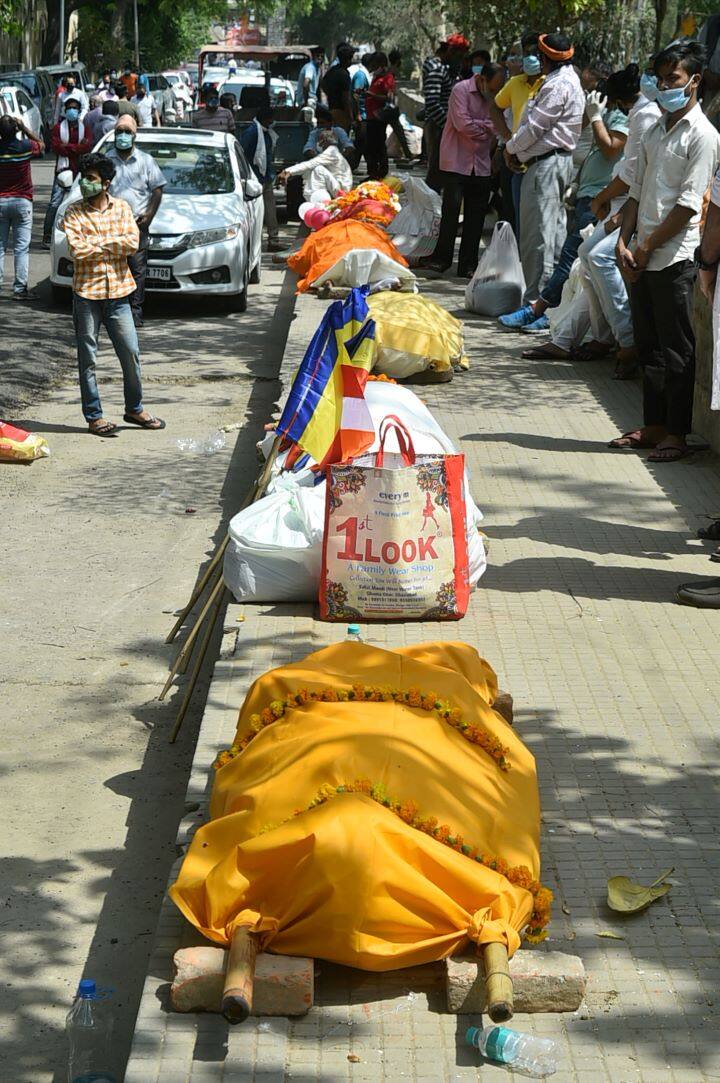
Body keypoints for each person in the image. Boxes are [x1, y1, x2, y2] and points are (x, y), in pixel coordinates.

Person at [610, 40, 720, 463]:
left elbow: (689, 205)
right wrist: (626, 240)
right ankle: (653, 426)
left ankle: (677, 432)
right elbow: (637, 191)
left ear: (694, 81)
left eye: (671, 78)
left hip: (674, 254)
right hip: (642, 250)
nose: (664, 86)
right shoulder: (656, 129)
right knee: (650, 343)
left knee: (677, 348)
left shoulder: (704, 136)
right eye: (659, 79)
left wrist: (646, 245)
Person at [500, 62, 628, 333]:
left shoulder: (620, 119)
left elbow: (609, 150)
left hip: (601, 197)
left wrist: (594, 117)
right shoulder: (606, 115)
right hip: (587, 192)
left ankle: (542, 310)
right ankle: (552, 313)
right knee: (571, 254)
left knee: (568, 253)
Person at [61, 152, 164, 436]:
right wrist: (111, 243)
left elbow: (132, 244)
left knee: (131, 353)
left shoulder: (122, 208)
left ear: (106, 183)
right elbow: (77, 251)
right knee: (88, 358)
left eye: (91, 180)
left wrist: (96, 242)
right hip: (86, 295)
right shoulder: (73, 212)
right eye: (84, 179)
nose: (86, 185)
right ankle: (94, 416)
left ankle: (135, 408)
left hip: (119, 294)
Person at [578, 64, 660, 377]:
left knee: (599, 257)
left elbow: (630, 173)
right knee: (586, 254)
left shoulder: (644, 115)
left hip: (632, 204)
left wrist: (601, 199)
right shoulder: (641, 114)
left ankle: (627, 341)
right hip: (623, 201)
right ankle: (605, 336)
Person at [500, 33, 584, 319]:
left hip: (546, 165)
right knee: (553, 235)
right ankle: (548, 305)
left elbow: (535, 128)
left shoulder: (558, 85)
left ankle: (535, 305)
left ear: (547, 58)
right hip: (547, 163)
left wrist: (510, 149)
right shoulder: (563, 81)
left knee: (538, 238)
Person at [419, 63, 505, 276]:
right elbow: (462, 123)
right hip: (456, 161)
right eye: (492, 89)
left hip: (482, 163)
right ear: (482, 79)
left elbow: (498, 124)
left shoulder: (496, 96)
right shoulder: (461, 90)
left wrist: (486, 126)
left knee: (476, 216)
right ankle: (442, 259)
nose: (495, 94)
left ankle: (468, 264)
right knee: (451, 212)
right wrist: (486, 128)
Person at [107, 116, 166, 326]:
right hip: (111, 225)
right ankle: (114, 312)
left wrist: (149, 216)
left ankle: (135, 312)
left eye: (126, 132)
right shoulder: (107, 160)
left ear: (134, 135)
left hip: (136, 225)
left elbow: (158, 190)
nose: (122, 136)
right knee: (113, 269)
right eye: (119, 131)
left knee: (137, 270)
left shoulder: (145, 161)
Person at [491, 32, 545, 234]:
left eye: (535, 53)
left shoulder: (551, 83)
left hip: (541, 159)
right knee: (513, 211)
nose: (529, 57)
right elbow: (495, 108)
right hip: (513, 157)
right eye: (526, 53)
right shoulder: (514, 83)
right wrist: (507, 140)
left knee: (536, 218)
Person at [0, 113, 43, 300]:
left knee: (0, 247)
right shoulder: (25, 147)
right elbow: (42, 145)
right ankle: (19, 289)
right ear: (16, 130)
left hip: (1, 202)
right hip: (22, 201)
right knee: (21, 248)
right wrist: (24, 127)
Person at [43, 94, 93, 247]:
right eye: (69, 108)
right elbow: (56, 147)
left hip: (79, 171)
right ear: (65, 111)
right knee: (55, 203)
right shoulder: (59, 128)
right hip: (62, 170)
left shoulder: (85, 128)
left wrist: (68, 147)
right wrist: (76, 148)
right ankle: (47, 235)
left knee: (82, 202)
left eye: (74, 108)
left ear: (79, 111)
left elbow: (87, 146)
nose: (72, 110)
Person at [422, 35, 470, 191]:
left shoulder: (444, 68)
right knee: (436, 171)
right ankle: (427, 209)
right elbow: (432, 103)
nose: (460, 60)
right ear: (450, 51)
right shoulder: (436, 69)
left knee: (442, 171)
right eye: (459, 56)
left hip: (443, 126)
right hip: (438, 126)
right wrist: (447, 126)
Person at [240, 106, 282, 251]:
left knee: (270, 211)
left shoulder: (267, 132)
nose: (272, 122)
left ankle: (273, 241)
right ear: (265, 119)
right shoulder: (252, 132)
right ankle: (255, 243)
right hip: (254, 179)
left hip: (265, 178)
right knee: (256, 213)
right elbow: (243, 153)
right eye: (270, 119)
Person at [279, 129, 352, 201]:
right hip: (338, 186)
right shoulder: (333, 151)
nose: (318, 144)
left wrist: (288, 171)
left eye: (319, 141)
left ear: (324, 141)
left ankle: (314, 200)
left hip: (341, 190)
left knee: (318, 169)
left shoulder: (331, 152)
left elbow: (310, 164)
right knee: (310, 170)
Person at [365, 52, 395, 180]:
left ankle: (380, 172)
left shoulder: (387, 78)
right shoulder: (376, 77)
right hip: (371, 117)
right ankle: (373, 173)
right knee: (371, 146)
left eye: (374, 64)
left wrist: (371, 95)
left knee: (378, 145)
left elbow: (389, 98)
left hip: (378, 118)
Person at [322, 44, 355, 132]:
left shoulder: (332, 70)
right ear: (348, 59)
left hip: (331, 109)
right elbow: (346, 99)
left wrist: (331, 94)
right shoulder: (344, 75)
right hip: (341, 113)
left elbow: (322, 84)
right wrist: (351, 117)